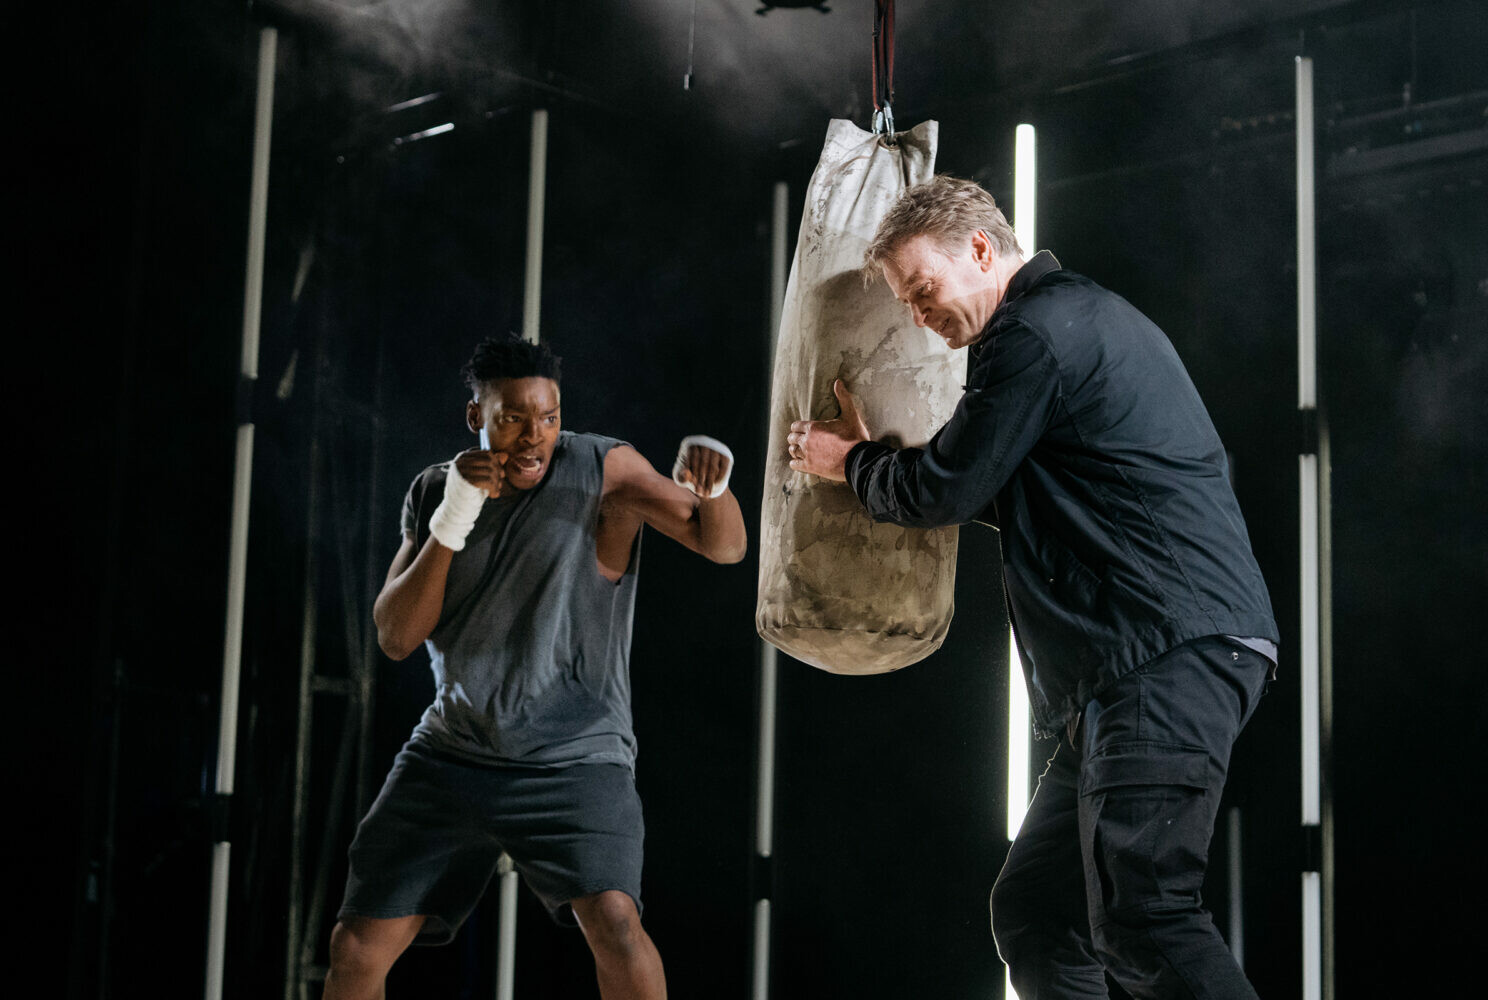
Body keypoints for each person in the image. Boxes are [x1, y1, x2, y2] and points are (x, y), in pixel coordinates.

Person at [787, 175, 1279, 999]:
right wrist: (890, 466)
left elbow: (945, 487)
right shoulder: (1070, 326)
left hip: (1164, 654)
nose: (918, 316)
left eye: (925, 291)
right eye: (907, 302)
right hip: (1136, 666)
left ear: (981, 249)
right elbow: (992, 488)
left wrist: (853, 463)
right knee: (1036, 914)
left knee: (1146, 912)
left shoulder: (1035, 334)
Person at [325, 334, 746, 1000]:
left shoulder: (601, 469)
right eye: (514, 417)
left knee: (615, 922)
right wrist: (455, 514)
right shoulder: (436, 486)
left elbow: (722, 546)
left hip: (574, 758)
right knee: (354, 950)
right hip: (453, 754)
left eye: (547, 417)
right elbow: (397, 636)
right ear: (476, 419)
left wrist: (714, 486)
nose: (533, 436)